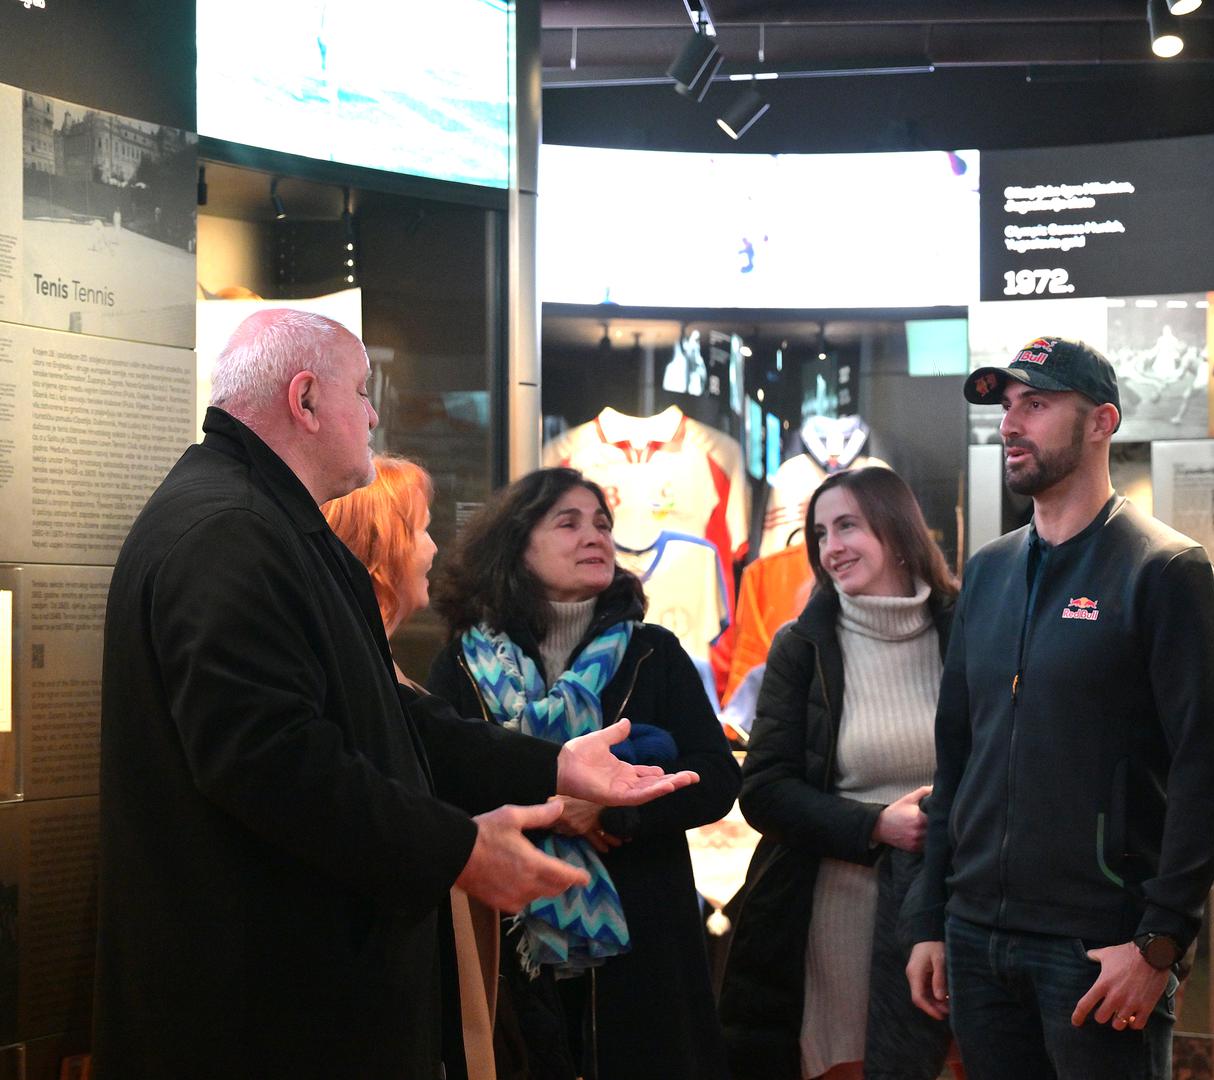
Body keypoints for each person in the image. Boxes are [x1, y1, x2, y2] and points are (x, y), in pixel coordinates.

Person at [95, 309, 697, 1079]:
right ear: (306, 400)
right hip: (257, 1016)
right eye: (361, 391)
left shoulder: (263, 520)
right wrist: (460, 850)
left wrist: (553, 766)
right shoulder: (230, 530)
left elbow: (385, 711)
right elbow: (271, 761)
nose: (374, 416)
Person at [906, 336, 1214, 1080]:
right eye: (1006, 407)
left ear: (1100, 422)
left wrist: (1159, 943)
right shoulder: (987, 573)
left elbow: (1208, 770)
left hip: (1097, 949)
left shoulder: (1166, 571)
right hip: (975, 938)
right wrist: (930, 917)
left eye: (1036, 404)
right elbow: (956, 759)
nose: (1010, 424)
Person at [426, 467, 741, 1080]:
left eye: (601, 523)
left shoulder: (653, 651)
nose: (594, 536)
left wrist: (612, 810)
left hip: (643, 939)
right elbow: (442, 780)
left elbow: (717, 778)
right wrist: (550, 806)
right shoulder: (462, 661)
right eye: (567, 523)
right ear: (517, 544)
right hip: (508, 926)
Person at [720, 467, 958, 1080]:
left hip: (959, 895)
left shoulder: (966, 627)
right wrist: (876, 825)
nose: (832, 547)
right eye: (820, 533)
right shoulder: (802, 645)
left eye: (847, 525)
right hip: (841, 904)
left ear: (897, 531)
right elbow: (765, 791)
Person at [321, 454, 499, 1080]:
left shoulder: (381, 675)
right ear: (382, 549)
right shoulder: (365, 688)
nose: (433, 548)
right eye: (421, 530)